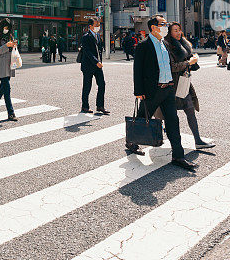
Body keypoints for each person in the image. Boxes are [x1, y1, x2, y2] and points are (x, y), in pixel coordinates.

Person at [126, 15, 196, 171]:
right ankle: (131, 141)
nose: (166, 27)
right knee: (142, 118)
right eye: (163, 24)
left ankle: (178, 156)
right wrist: (139, 91)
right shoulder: (144, 45)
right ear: (153, 28)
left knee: (173, 122)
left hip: (168, 89)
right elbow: (137, 69)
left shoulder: (164, 43)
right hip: (152, 91)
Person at [165, 22, 215, 149]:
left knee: (190, 110)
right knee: (168, 114)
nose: (178, 32)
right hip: (171, 86)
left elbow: (187, 64)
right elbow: (172, 68)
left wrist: (193, 62)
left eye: (179, 30)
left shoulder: (184, 44)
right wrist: (189, 63)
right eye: (175, 30)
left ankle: (198, 140)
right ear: (169, 32)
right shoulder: (167, 46)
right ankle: (166, 137)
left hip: (183, 83)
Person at [0, 18, 18, 121]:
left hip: (9, 64)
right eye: (5, 27)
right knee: (7, 88)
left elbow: (11, 50)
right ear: (1, 26)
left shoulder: (9, 36)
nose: (6, 30)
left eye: (8, 28)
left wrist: (14, 45)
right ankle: (11, 112)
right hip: (0, 65)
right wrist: (6, 46)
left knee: (3, 86)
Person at [80, 17, 109, 115]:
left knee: (102, 84)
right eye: (96, 25)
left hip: (97, 66)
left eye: (99, 25)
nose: (98, 27)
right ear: (90, 26)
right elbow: (87, 52)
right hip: (88, 65)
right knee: (87, 86)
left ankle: (100, 106)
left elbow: (98, 50)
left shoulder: (98, 36)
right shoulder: (86, 37)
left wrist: (99, 61)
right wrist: (96, 61)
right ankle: (85, 106)